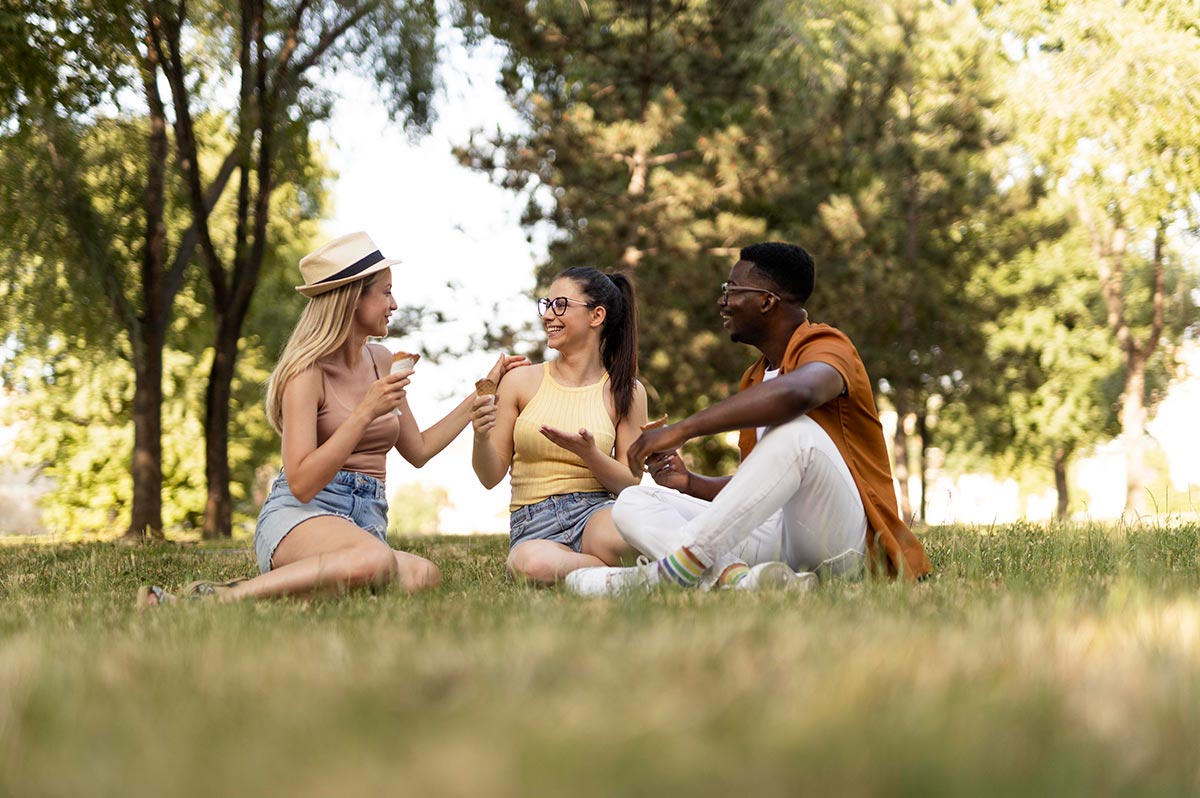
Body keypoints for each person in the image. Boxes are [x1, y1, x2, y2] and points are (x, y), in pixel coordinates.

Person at [137, 231, 528, 606]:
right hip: (301, 517)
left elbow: (419, 449)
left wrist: (485, 389)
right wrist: (364, 412)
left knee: (423, 575)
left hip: (365, 522)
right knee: (377, 562)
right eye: (386, 293)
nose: (394, 305)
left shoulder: (381, 362)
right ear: (351, 300)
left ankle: (283, 595)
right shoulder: (306, 375)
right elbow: (302, 483)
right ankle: (222, 598)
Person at [565, 242, 931, 595]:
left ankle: (658, 578)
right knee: (633, 502)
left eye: (732, 289)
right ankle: (735, 579)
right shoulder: (755, 378)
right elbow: (762, 489)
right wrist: (690, 482)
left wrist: (684, 429)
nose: (723, 302)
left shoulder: (828, 346)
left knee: (798, 432)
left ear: (766, 301)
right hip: (782, 544)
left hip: (843, 544)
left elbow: (797, 395)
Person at [469, 267, 649, 585]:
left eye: (561, 305)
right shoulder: (520, 381)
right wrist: (481, 437)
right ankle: (633, 576)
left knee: (637, 538)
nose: (549, 315)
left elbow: (629, 485)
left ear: (597, 316)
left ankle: (612, 572)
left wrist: (590, 454)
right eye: (547, 304)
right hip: (533, 523)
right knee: (529, 565)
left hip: (596, 514)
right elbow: (488, 476)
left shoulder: (628, 391)